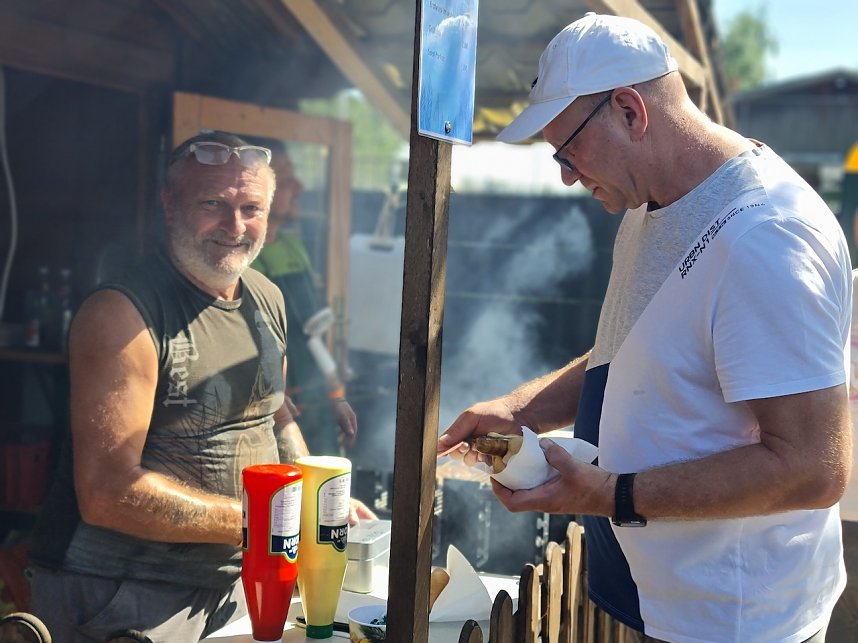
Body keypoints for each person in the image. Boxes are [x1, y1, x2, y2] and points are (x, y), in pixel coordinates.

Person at [437, 13, 852, 643]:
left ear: (631, 111)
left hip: (734, 620)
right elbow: (634, 352)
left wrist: (610, 494)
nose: (566, 175)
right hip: (664, 599)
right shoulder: (650, 205)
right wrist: (520, 410)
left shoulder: (766, 236)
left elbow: (813, 469)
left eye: (567, 148)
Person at [26, 131, 375, 642]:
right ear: (170, 204)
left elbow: (273, 412)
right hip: (122, 597)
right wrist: (269, 520)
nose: (235, 226)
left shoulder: (265, 296)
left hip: (240, 584)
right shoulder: (122, 314)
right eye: (213, 203)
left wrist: (317, 497)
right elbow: (106, 493)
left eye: (252, 207)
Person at [251, 143, 357, 456]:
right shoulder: (241, 262)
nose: (299, 187)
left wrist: (336, 396)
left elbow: (314, 336)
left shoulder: (292, 247)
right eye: (286, 178)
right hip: (274, 412)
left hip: (317, 401)